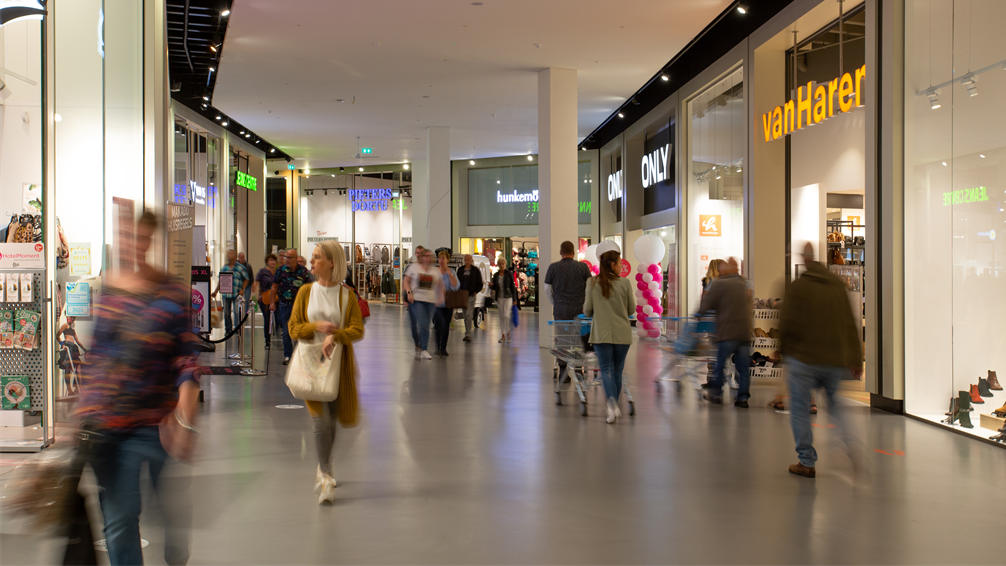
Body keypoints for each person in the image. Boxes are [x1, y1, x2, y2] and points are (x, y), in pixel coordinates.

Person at [78, 212, 200, 565]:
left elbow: (187, 360)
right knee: (118, 519)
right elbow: (99, 356)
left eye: (142, 237)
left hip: (158, 424)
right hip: (111, 425)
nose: (135, 245)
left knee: (171, 517)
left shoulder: (172, 293)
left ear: (151, 241)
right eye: (128, 237)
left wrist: (185, 418)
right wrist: (84, 412)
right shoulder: (111, 290)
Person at [287, 241, 364, 503]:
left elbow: (357, 329)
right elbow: (293, 328)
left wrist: (337, 336)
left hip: (338, 366)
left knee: (331, 420)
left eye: (317, 257)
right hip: (310, 364)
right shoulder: (305, 292)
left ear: (332, 262)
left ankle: (323, 466)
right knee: (320, 421)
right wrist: (316, 327)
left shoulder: (347, 296)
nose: (311, 261)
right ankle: (327, 477)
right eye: (312, 257)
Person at [780, 243, 864, 479]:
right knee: (836, 407)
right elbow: (850, 324)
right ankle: (851, 444)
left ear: (804, 260)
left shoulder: (799, 287)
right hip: (832, 361)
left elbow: (787, 322)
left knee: (799, 410)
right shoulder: (837, 286)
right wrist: (856, 359)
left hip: (803, 360)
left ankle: (806, 461)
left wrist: (782, 350)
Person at [583, 250, 635, 424]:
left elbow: (587, 310)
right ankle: (614, 405)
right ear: (612, 265)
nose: (622, 266)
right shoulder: (625, 283)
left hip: (601, 334)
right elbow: (631, 310)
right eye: (620, 263)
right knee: (618, 370)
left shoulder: (592, 282)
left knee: (605, 369)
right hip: (622, 334)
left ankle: (612, 406)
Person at [697, 257, 753, 407]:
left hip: (727, 332)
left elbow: (707, 305)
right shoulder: (745, 284)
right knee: (743, 367)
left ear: (724, 272)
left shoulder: (719, 284)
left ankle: (716, 394)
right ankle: (743, 398)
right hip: (744, 333)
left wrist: (698, 315)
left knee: (720, 364)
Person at [544, 240, 592, 374]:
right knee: (578, 339)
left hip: (561, 310)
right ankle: (578, 368)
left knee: (562, 339)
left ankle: (563, 369)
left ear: (560, 252)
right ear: (573, 252)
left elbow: (547, 289)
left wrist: (555, 302)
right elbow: (590, 287)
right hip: (579, 310)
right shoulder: (582, 267)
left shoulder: (553, 267)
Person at [272, 248, 312, 365]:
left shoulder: (303, 271)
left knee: (299, 330)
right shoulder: (280, 270)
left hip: (300, 306)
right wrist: (272, 303)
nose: (287, 260)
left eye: (289, 258)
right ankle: (288, 355)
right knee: (286, 330)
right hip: (285, 304)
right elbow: (274, 287)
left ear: (295, 258)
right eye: (285, 257)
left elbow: (310, 288)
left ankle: (298, 354)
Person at [405, 249, 443, 360]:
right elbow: (406, 281)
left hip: (430, 301)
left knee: (426, 326)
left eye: (429, 256)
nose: (427, 258)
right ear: (421, 257)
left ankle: (422, 346)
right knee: (423, 324)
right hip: (417, 300)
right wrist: (408, 293)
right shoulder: (413, 268)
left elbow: (441, 284)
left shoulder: (434, 271)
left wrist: (440, 296)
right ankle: (424, 349)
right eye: (425, 256)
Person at [212, 250, 249, 336]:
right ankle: (228, 329)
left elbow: (246, 279)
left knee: (236, 312)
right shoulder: (224, 268)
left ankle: (237, 329)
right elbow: (220, 281)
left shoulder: (240, 268)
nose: (228, 255)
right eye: (228, 253)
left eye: (231, 254)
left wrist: (242, 289)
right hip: (226, 294)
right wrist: (216, 291)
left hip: (236, 293)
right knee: (226, 313)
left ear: (235, 256)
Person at [434, 250, 461, 357]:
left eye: (443, 258)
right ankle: (437, 346)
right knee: (439, 323)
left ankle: (443, 347)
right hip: (436, 303)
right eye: (440, 258)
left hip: (448, 303)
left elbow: (456, 286)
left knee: (446, 325)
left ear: (447, 260)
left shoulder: (452, 272)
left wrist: (450, 275)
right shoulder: (435, 271)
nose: (441, 261)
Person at [402, 246, 426, 353]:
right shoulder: (410, 267)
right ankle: (417, 341)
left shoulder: (427, 268)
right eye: (418, 252)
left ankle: (422, 342)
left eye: (421, 253)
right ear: (415, 254)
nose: (419, 254)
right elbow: (405, 282)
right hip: (412, 299)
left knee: (423, 323)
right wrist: (405, 298)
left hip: (424, 299)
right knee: (413, 323)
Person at [456, 254, 484, 342]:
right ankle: (467, 332)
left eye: (468, 260)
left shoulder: (475, 271)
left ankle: (468, 334)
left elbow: (480, 283)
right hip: (462, 295)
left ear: (471, 261)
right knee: (465, 315)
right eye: (466, 260)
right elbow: (457, 281)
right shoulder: (460, 270)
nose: (467, 261)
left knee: (468, 314)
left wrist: (476, 291)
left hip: (471, 295)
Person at [489, 257, 517, 344]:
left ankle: (508, 332)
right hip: (499, 298)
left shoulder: (509, 274)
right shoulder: (496, 275)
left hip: (508, 297)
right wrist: (491, 285)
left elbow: (513, 287)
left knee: (506, 315)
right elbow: (495, 287)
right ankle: (503, 335)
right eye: (500, 264)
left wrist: (515, 299)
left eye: (503, 264)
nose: (501, 265)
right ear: (498, 265)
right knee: (501, 316)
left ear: (505, 265)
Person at [256, 253, 279, 349]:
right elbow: (257, 282)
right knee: (267, 320)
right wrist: (258, 294)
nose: (272, 262)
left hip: (277, 298)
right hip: (265, 299)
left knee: (279, 319)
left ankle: (277, 337)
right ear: (267, 262)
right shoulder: (262, 272)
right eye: (270, 260)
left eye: (274, 260)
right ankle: (267, 341)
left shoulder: (278, 271)